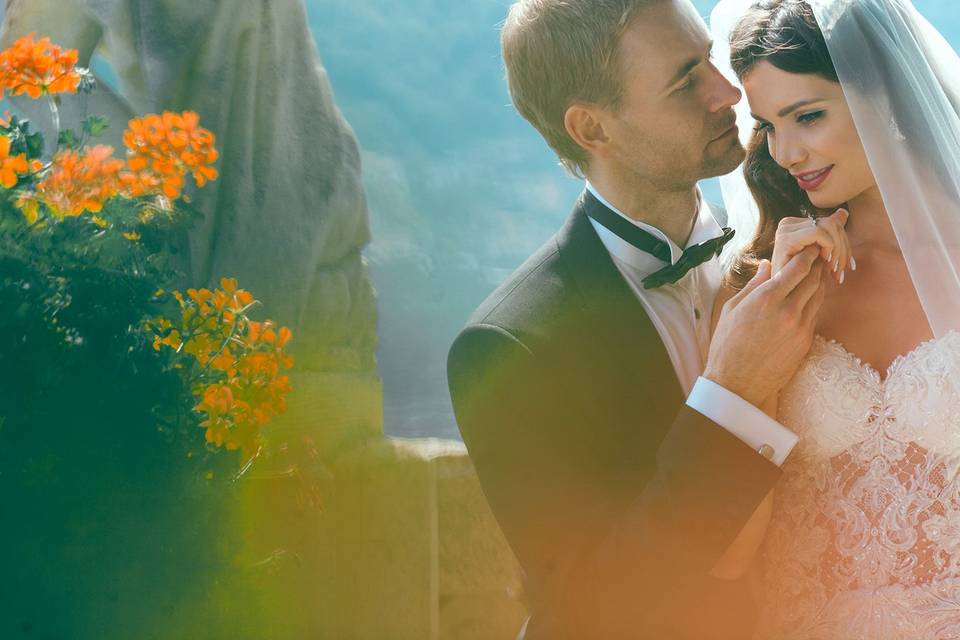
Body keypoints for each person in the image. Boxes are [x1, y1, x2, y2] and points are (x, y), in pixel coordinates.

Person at [446, 0, 829, 637]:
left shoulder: (791, 227)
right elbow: (601, 605)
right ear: (592, 129)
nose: (727, 91)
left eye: (709, 57)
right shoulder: (510, 347)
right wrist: (734, 391)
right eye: (686, 79)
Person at [710, 0, 960, 636]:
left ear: (888, 94)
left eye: (808, 116)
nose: (785, 152)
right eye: (766, 125)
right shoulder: (762, 287)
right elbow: (732, 556)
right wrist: (778, 305)